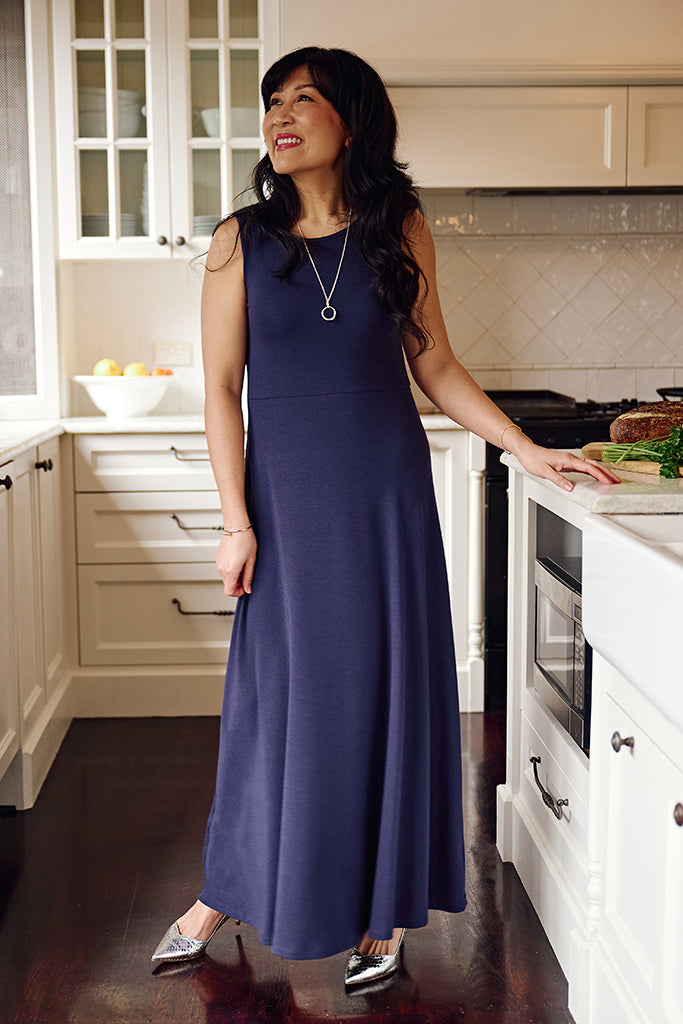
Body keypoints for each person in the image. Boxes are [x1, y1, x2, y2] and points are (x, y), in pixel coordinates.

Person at [152, 46, 619, 985]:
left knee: (384, 694)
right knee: (274, 705)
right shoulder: (239, 239)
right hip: (285, 504)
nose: (280, 117)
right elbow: (217, 391)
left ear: (352, 121)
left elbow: (432, 362)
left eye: (303, 100)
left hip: (385, 497)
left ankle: (381, 909)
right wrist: (235, 520)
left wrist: (522, 446)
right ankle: (228, 883)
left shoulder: (397, 226)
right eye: (271, 102)